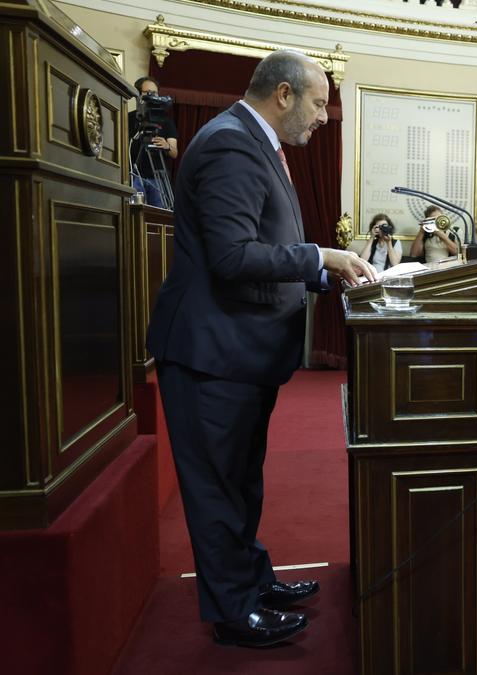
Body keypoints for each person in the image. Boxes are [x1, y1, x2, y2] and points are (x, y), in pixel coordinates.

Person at [146, 50, 378, 647]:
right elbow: (231, 257)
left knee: (241, 480)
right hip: (212, 352)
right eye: (319, 104)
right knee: (218, 485)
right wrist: (318, 258)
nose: (324, 118)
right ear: (283, 94)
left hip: (238, 350)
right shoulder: (230, 144)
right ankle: (232, 613)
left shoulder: (253, 141)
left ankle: (251, 580)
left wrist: (328, 273)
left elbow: (269, 242)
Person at [128, 76, 179, 208]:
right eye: (147, 93)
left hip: (157, 179)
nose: (152, 97)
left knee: (159, 215)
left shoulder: (166, 121)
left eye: (155, 93)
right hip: (134, 175)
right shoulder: (127, 118)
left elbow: (174, 153)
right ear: (138, 95)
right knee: (135, 214)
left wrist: (167, 146)